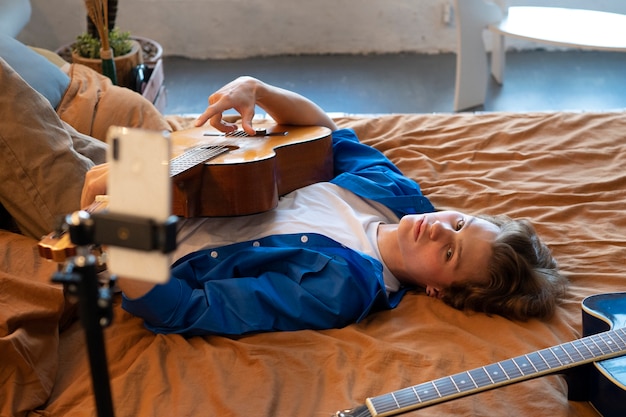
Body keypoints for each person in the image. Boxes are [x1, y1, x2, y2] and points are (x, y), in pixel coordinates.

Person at [0, 51, 567, 336]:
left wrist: (131, 210)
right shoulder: (397, 196)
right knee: (121, 104)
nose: (441, 230)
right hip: (178, 172)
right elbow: (326, 134)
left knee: (9, 94)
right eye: (461, 224)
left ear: (440, 293)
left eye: (449, 253)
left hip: (114, 224)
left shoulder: (341, 287)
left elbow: (182, 309)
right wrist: (259, 88)